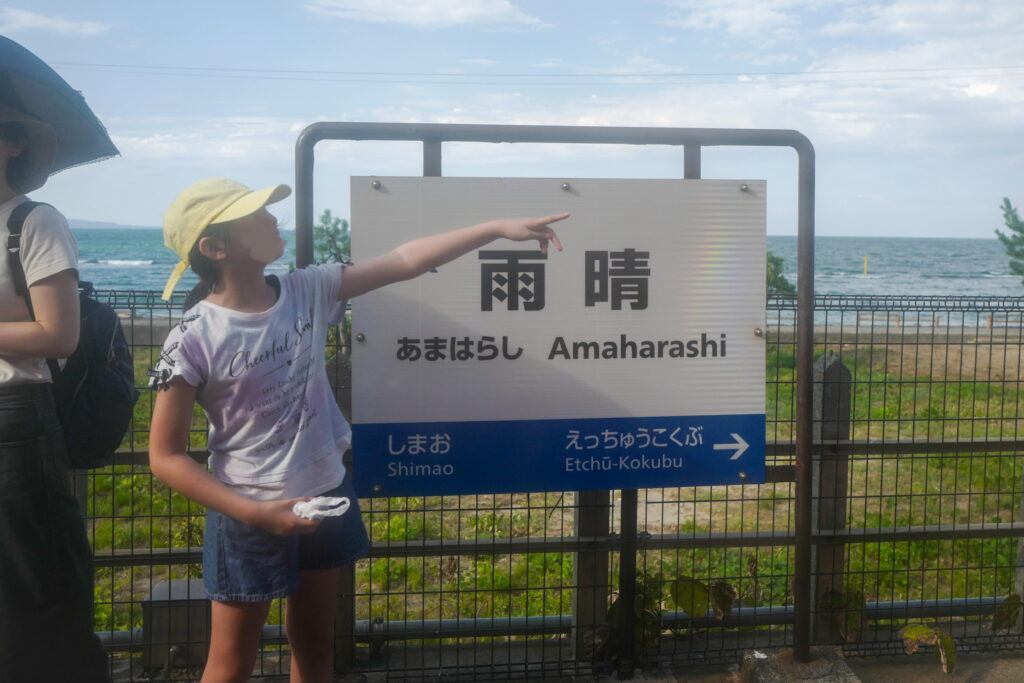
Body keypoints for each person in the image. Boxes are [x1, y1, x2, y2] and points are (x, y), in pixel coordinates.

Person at [148, 177, 568, 683]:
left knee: (317, 648)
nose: (272, 219)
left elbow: (406, 259)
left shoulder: (307, 289)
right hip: (246, 515)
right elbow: (165, 456)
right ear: (214, 248)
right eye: (255, 216)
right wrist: (257, 514)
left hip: (325, 494)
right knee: (230, 662)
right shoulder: (192, 335)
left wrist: (497, 228)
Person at [0, 105, 110, 681]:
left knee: (35, 588)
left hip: (14, 422)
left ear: (14, 143)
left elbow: (58, 334)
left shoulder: (32, 222)